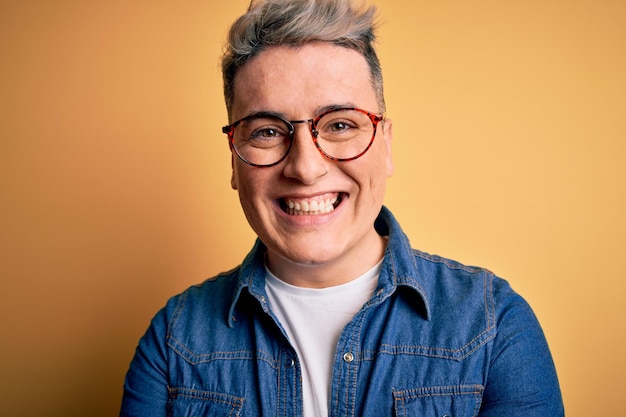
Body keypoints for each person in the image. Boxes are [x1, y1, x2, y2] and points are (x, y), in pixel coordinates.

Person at [120, 0, 564, 415]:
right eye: (267, 132)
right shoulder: (174, 341)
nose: (306, 168)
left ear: (386, 146)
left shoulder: (493, 326)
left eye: (339, 125)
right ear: (234, 159)